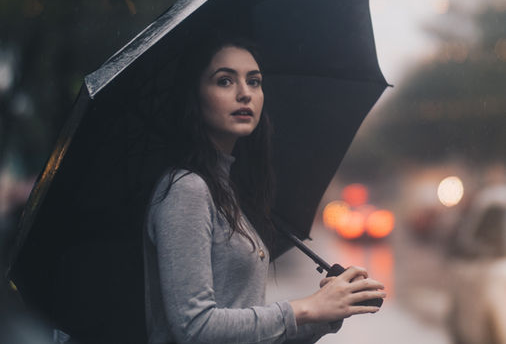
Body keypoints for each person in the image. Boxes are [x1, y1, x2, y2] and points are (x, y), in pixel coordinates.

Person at [143, 34, 386, 344]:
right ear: (194, 95)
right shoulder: (186, 190)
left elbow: (251, 332)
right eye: (225, 81)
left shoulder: (229, 189)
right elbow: (195, 328)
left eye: (254, 82)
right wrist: (305, 308)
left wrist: (328, 311)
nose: (245, 94)